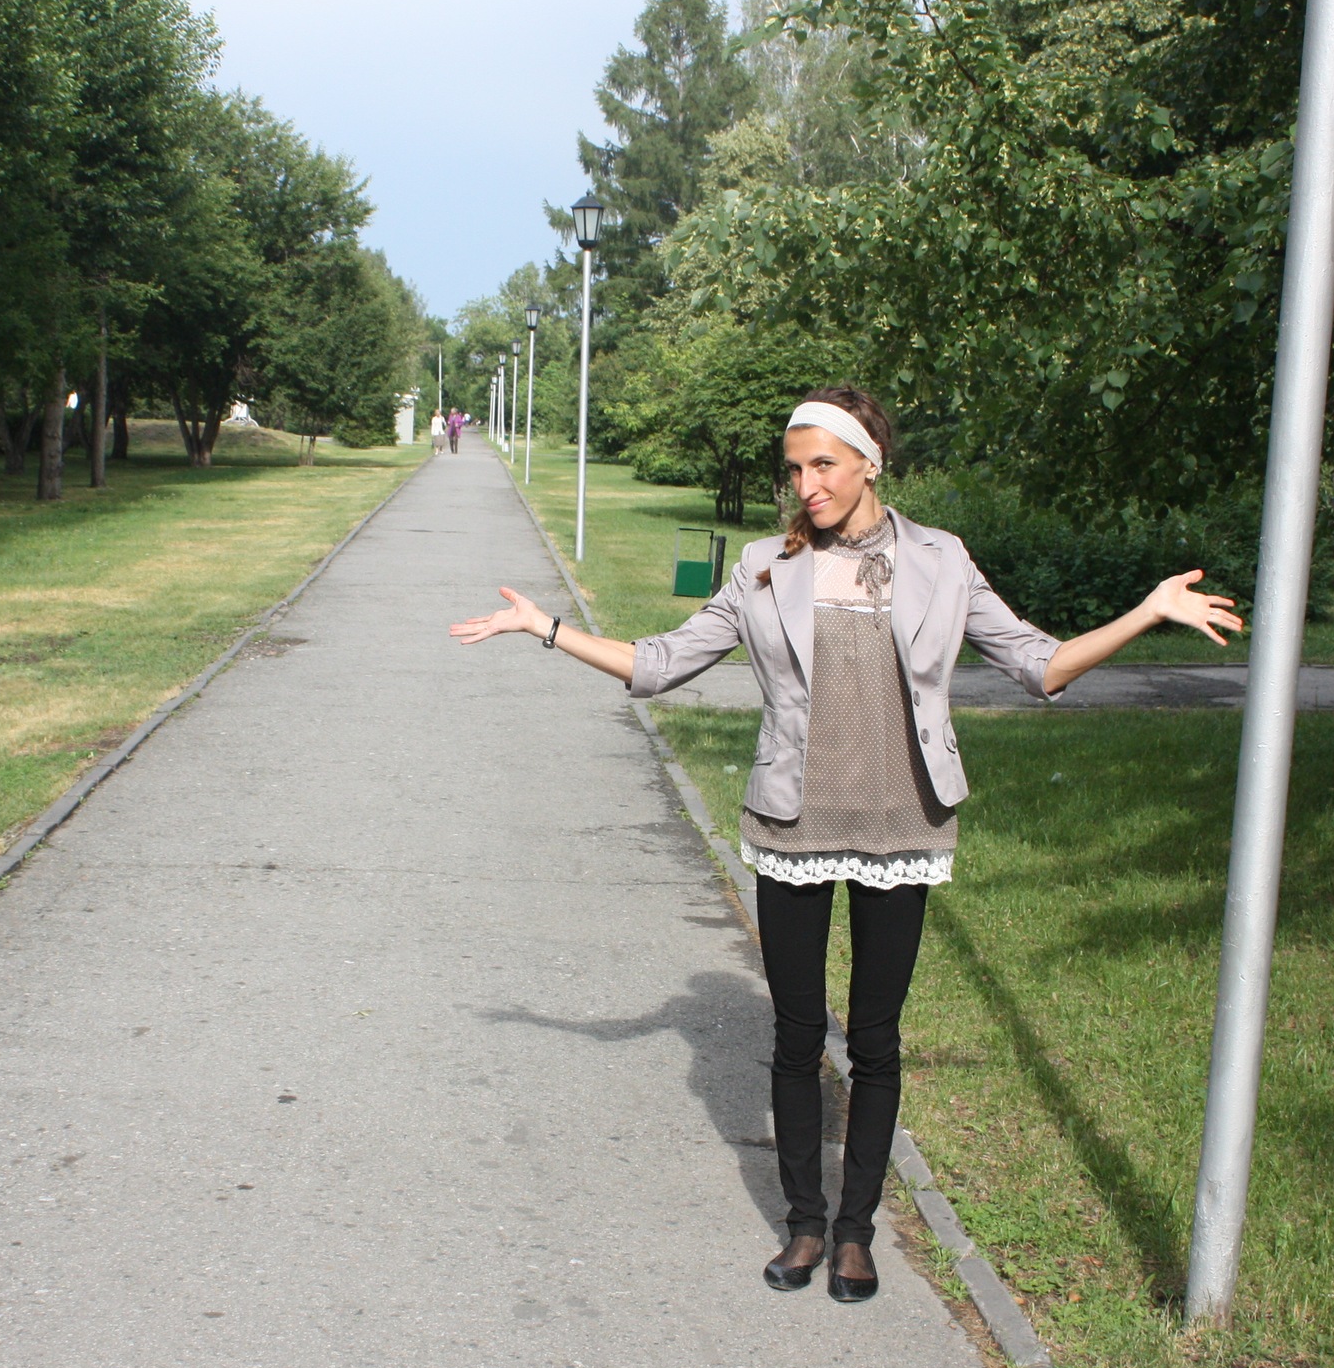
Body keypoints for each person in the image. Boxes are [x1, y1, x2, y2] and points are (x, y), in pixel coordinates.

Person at [449, 387, 1239, 1302]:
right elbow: (661, 663)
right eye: (794, 468)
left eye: (823, 463)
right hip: (794, 826)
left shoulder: (941, 560)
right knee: (795, 1038)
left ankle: (857, 1231)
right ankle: (804, 1223)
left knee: (875, 1039)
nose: (806, 484)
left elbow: (1040, 663)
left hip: (903, 825)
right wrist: (546, 628)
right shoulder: (764, 567)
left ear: (871, 461)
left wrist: (1146, 612)